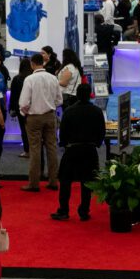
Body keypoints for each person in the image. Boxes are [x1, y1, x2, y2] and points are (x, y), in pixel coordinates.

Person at [52, 84, 104, 221]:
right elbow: (101, 131)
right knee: (87, 182)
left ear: (77, 94)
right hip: (90, 150)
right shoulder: (97, 111)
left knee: (65, 181)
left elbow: (63, 131)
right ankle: (84, 211)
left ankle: (63, 210)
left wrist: (64, 144)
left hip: (72, 149)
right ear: (90, 94)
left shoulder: (69, 111)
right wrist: (97, 143)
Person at [19, 53, 63, 192]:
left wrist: (25, 113)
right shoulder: (53, 78)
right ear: (42, 63)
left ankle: (34, 183)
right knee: (52, 148)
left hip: (34, 117)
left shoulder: (29, 79)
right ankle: (53, 181)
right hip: (50, 116)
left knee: (35, 150)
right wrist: (50, 106)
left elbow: (23, 103)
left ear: (32, 64)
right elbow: (59, 100)